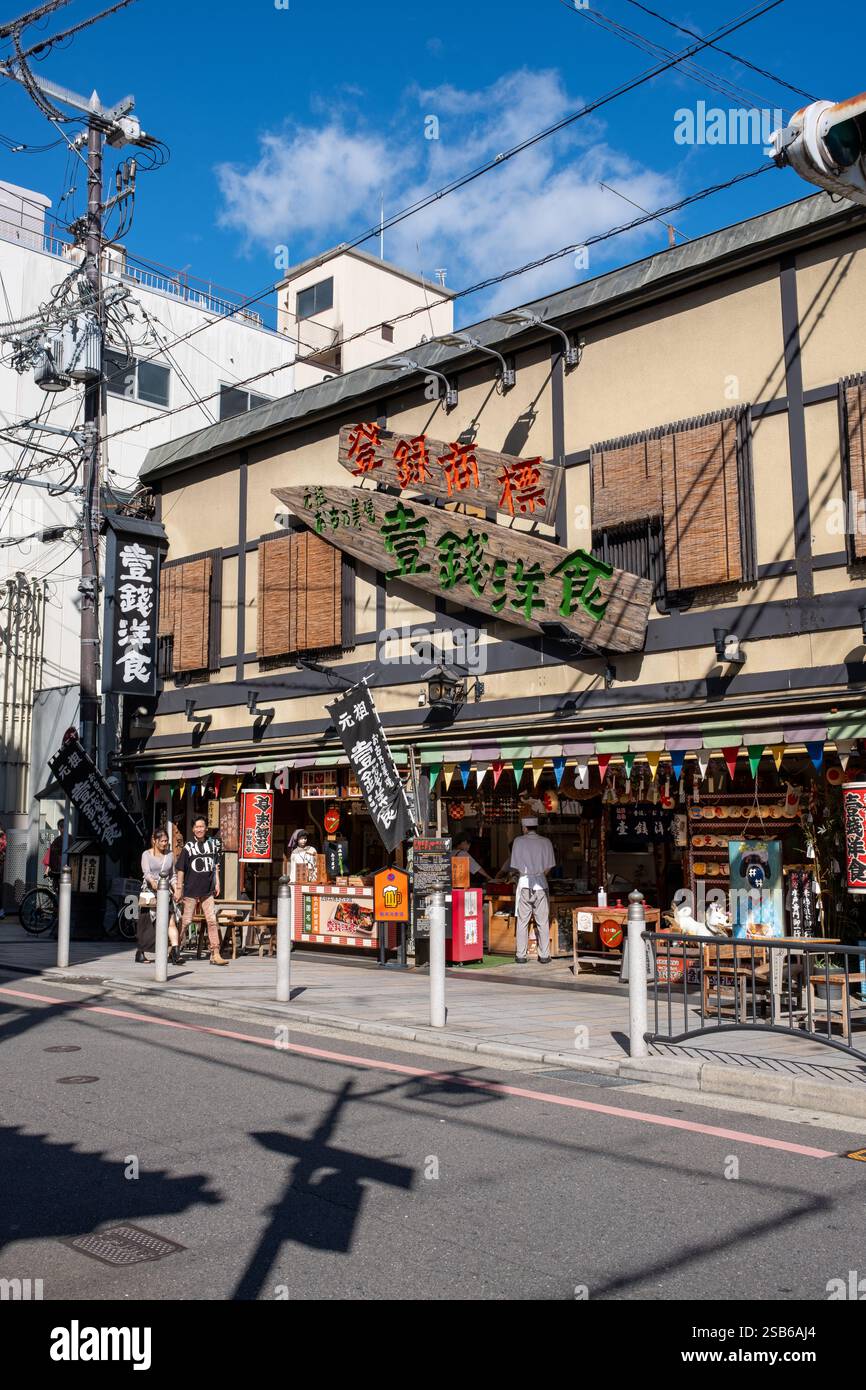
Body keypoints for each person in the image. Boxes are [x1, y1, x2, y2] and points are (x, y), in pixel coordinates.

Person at [175, 815, 228, 967]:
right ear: (193, 829)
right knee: (186, 921)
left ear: (206, 828)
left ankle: (215, 953)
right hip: (191, 889)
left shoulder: (212, 845)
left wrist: (217, 882)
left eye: (202, 826)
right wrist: (179, 888)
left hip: (208, 889)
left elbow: (215, 865)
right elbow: (180, 869)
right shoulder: (188, 847)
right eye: (196, 827)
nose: (199, 829)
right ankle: (174, 949)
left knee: (212, 920)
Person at [508, 816, 556, 965]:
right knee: (542, 921)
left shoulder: (518, 841)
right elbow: (549, 866)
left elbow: (515, 866)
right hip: (541, 884)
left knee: (522, 921)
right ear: (536, 827)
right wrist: (539, 875)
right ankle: (544, 955)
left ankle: (521, 955)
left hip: (524, 884)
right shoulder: (546, 842)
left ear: (524, 828)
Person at [137, 829, 177, 965]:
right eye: (163, 841)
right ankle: (141, 952)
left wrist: (176, 889)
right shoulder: (146, 854)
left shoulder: (170, 855)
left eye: (167, 841)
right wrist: (153, 882)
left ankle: (174, 951)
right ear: (155, 840)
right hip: (150, 891)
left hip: (166, 892)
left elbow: (172, 875)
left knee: (170, 920)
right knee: (146, 922)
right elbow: (146, 873)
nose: (165, 843)